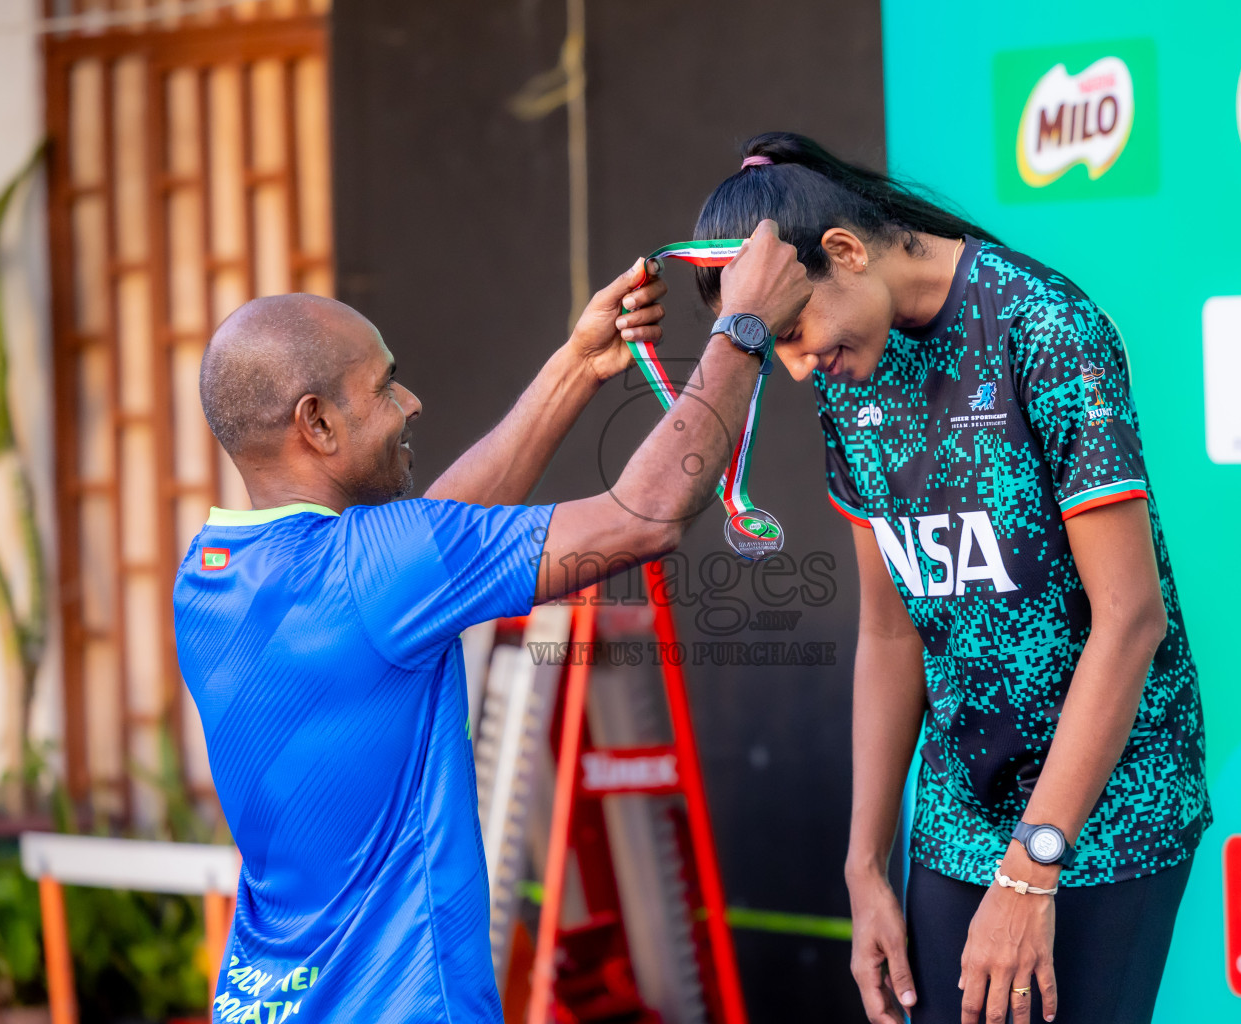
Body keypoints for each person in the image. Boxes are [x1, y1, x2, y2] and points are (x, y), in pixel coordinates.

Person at [173, 219, 810, 1021]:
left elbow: (429, 540)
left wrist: (576, 367)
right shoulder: (376, 568)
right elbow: (643, 518)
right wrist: (742, 331)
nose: (411, 402)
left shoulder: (207, 579)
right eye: (384, 387)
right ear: (318, 424)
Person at [694, 133, 1212, 1024]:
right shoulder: (845, 373)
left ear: (846, 253)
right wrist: (866, 867)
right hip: (958, 817)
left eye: (791, 331)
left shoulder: (1043, 326)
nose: (794, 363)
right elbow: (892, 630)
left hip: (1106, 814)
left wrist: (1031, 870)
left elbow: (1130, 619)